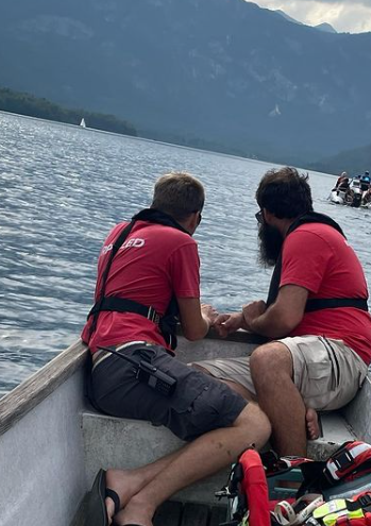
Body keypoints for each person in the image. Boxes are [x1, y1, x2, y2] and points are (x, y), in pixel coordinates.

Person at [81, 172, 270, 526]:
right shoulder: (181, 242)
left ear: (156, 204)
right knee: (255, 424)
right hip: (133, 364)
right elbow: (196, 332)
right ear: (195, 216)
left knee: (231, 397)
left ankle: (129, 482)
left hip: (100, 369)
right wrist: (203, 314)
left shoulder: (118, 234)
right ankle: (142, 505)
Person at [193, 167, 371, 457]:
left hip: (341, 355)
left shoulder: (306, 236)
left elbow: (284, 320)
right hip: (310, 361)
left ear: (266, 214)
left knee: (267, 359)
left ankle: (294, 472)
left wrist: (253, 319)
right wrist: (246, 321)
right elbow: (291, 314)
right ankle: (293, 411)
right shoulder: (311, 234)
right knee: (198, 379)